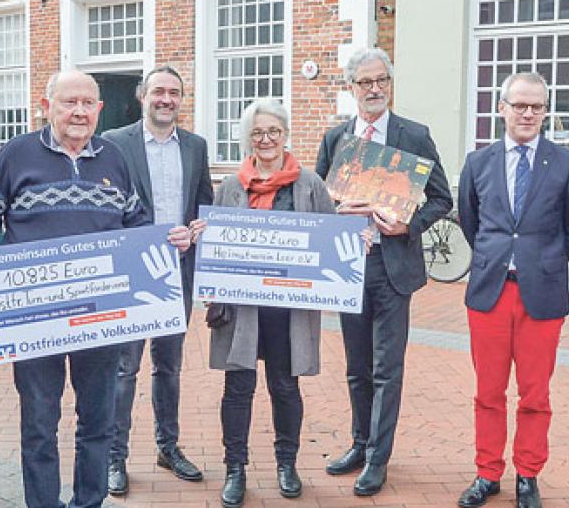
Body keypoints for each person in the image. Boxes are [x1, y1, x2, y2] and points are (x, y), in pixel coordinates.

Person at [0, 68, 192, 508]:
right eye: (69, 102)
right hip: (35, 319)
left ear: (99, 110)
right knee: (40, 424)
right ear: (46, 107)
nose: (79, 112)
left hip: (102, 317)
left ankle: (88, 501)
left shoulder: (114, 158)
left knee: (97, 422)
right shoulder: (16, 155)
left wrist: (165, 238)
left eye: (88, 104)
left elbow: (135, 223)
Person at [315, 47, 452, 496]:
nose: (374, 89)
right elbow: (317, 203)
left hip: (393, 267)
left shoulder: (414, 135)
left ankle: (378, 457)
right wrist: (337, 211)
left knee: (386, 368)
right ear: (351, 88)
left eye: (381, 81)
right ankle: (359, 442)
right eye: (365, 82)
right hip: (348, 268)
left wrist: (408, 224)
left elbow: (441, 199)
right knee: (356, 367)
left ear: (390, 85)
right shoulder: (336, 139)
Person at [456, 72, 569, 508]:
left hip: (541, 296)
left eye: (536, 106)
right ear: (502, 108)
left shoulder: (568, 164)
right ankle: (487, 472)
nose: (527, 113)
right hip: (491, 292)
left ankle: (528, 474)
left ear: (546, 111)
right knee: (488, 391)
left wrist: (542, 263)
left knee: (535, 393)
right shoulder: (478, 163)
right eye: (519, 105)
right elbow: (472, 223)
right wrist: (500, 258)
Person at [205, 98, 336, 508]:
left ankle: (286, 464)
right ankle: (235, 468)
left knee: (284, 385)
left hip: (289, 308)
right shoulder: (230, 186)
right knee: (238, 387)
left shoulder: (309, 184)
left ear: (285, 135)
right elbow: (215, 243)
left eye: (273, 131)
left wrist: (356, 242)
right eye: (258, 133)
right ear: (248, 138)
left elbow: (331, 239)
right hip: (242, 309)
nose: (266, 139)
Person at [102, 66, 214, 495]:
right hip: (133, 273)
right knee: (124, 369)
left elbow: (202, 202)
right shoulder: (114, 142)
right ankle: (116, 457)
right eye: (158, 92)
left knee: (168, 366)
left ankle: (168, 446)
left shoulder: (196, 146)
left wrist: (196, 229)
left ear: (181, 99)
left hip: (178, 273)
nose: (166, 99)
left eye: (174, 93)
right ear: (142, 96)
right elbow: (107, 206)